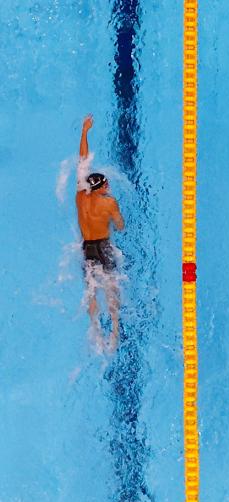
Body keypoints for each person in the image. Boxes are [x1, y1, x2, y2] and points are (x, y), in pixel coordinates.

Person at [76, 114, 125, 350]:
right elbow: (120, 225)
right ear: (102, 187)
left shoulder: (80, 197)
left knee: (91, 289)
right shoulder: (109, 203)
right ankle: (114, 332)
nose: (109, 187)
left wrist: (84, 132)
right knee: (111, 288)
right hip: (104, 246)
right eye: (106, 184)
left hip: (87, 248)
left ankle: (95, 332)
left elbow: (82, 161)